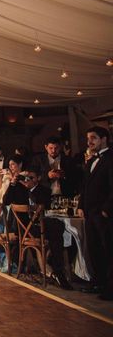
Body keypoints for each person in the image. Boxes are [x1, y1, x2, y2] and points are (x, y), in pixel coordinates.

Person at [1, 157, 73, 290]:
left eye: (31, 178)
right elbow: (5, 201)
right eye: (26, 177)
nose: (27, 181)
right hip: (24, 229)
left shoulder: (44, 191)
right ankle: (54, 269)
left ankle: (56, 270)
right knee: (55, 229)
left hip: (39, 226)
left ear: (38, 178)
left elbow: (46, 208)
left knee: (57, 227)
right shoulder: (17, 188)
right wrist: (13, 183)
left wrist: (31, 192)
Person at [78, 126, 113, 300]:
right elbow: (85, 186)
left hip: (103, 214)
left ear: (104, 139)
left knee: (108, 250)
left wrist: (106, 210)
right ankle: (98, 282)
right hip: (90, 213)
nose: (89, 142)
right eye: (88, 138)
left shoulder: (110, 159)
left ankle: (110, 287)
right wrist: (80, 205)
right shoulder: (91, 161)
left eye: (93, 138)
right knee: (94, 249)